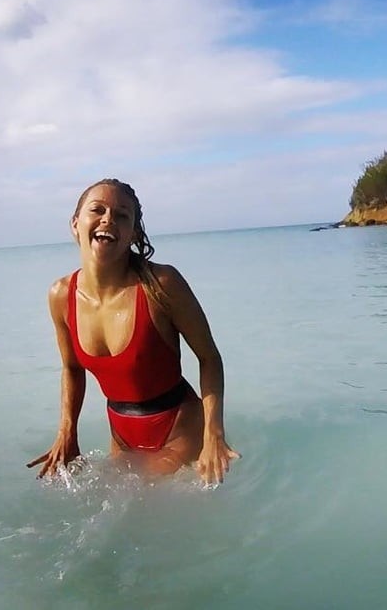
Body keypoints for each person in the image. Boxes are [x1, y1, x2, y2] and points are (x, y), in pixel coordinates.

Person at [27, 178, 238, 485]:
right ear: (75, 224)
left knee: (148, 507)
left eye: (122, 215)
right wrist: (67, 433)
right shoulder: (61, 295)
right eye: (97, 209)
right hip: (122, 434)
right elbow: (72, 368)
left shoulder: (161, 285)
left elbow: (209, 358)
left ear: (134, 233)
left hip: (179, 428)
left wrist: (213, 435)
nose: (108, 219)